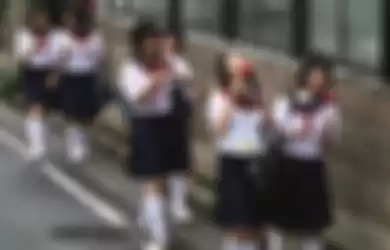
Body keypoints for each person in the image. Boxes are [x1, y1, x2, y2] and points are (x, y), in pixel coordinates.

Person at [268, 54, 342, 250]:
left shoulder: (329, 107)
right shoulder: (286, 100)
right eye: (315, 75)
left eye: (323, 77)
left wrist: (328, 131)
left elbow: (332, 140)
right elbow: (275, 129)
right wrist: (294, 131)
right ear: (305, 75)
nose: (318, 81)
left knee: (312, 225)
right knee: (279, 221)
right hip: (287, 164)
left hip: (312, 165)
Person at [117, 21, 174, 250]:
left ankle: (149, 217)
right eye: (151, 42)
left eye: (158, 40)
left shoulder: (169, 63)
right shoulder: (131, 69)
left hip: (168, 124)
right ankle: (158, 237)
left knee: (162, 182)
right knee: (153, 179)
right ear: (140, 45)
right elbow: (139, 98)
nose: (156, 46)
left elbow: (188, 86)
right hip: (145, 124)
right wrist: (155, 82)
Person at [206, 52, 269, 250]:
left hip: (257, 160)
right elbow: (220, 130)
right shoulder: (219, 97)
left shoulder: (257, 99)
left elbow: (268, 130)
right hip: (233, 161)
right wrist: (233, 98)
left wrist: (264, 105)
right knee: (239, 223)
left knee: (256, 224)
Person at [57, 8, 105, 164]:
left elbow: (100, 60)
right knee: (72, 113)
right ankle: (73, 145)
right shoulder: (64, 39)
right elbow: (60, 60)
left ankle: (83, 143)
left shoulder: (96, 39)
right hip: (71, 77)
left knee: (87, 115)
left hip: (88, 77)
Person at [13, 8, 59, 160]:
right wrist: (30, 51)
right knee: (34, 108)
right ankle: (36, 145)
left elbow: (59, 57)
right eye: (38, 20)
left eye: (45, 20)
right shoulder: (24, 36)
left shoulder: (55, 38)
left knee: (43, 110)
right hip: (32, 73)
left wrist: (54, 75)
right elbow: (20, 59)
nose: (41, 23)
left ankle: (41, 140)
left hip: (48, 73)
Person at [162, 31, 194, 224]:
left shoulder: (182, 64)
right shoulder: (151, 64)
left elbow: (189, 86)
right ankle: (154, 207)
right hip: (157, 120)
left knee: (180, 164)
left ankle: (178, 203)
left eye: (172, 42)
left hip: (177, 120)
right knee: (158, 165)